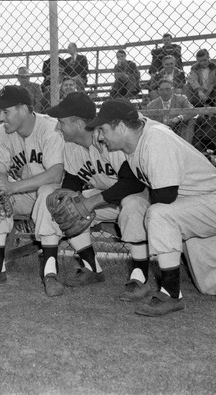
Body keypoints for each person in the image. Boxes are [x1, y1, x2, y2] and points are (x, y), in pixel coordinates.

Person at [86, 99, 216, 316]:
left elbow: (164, 198)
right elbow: (131, 183)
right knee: (211, 283)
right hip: (191, 208)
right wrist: (97, 204)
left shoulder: (156, 138)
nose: (100, 136)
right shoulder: (134, 142)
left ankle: (171, 294)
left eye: (103, 129)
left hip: (214, 203)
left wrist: (134, 225)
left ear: (121, 126)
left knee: (158, 214)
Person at [0, 86, 66, 297]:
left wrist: (11, 187)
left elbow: (55, 174)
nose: (1, 118)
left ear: (23, 109)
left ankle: (50, 273)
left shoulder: (50, 128)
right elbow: (0, 170)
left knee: (46, 192)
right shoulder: (3, 132)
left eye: (6, 112)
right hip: (22, 193)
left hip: (55, 194)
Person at [45, 92, 148, 288]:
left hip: (140, 195)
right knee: (68, 208)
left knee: (132, 204)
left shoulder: (107, 139)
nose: (58, 127)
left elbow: (133, 183)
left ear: (77, 124)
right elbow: (74, 178)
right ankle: (92, 268)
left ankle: (139, 276)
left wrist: (90, 202)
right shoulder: (72, 146)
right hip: (108, 198)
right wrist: (65, 195)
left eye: (61, 122)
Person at [146, 79, 196, 144]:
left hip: (178, 128)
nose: (165, 92)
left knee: (191, 121)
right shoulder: (152, 105)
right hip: (160, 130)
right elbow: (149, 122)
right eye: (161, 90)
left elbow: (193, 112)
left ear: (172, 89)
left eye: (167, 89)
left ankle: (184, 145)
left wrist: (179, 118)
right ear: (158, 91)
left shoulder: (181, 99)